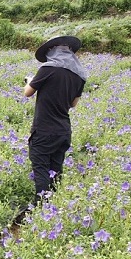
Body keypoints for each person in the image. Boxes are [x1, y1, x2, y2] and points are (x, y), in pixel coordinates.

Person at [23, 35, 86, 206]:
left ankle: (41, 207)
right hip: (63, 131)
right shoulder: (80, 75)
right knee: (56, 170)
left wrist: (30, 81)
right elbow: (73, 104)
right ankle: (54, 210)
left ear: (52, 51)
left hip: (44, 130)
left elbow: (28, 92)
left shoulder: (48, 68)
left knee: (41, 169)